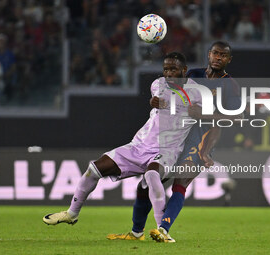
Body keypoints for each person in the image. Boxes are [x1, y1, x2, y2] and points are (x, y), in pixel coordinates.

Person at [42, 52, 219, 234]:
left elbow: (217, 120)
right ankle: (72, 213)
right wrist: (153, 101)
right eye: (165, 69)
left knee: (151, 176)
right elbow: (156, 100)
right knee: (94, 169)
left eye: (173, 69)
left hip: (168, 150)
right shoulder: (157, 84)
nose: (168, 73)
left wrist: (203, 124)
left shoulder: (198, 93)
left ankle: (161, 230)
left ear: (184, 70)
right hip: (139, 145)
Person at [107, 41, 242, 243]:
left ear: (229, 60)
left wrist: (205, 115)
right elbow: (169, 94)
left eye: (223, 55)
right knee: (145, 185)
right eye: (215, 53)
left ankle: (163, 229)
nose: (218, 58)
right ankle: (136, 233)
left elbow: (237, 118)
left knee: (180, 182)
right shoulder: (193, 75)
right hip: (175, 137)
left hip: (201, 139)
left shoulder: (230, 85)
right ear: (209, 54)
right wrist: (153, 101)